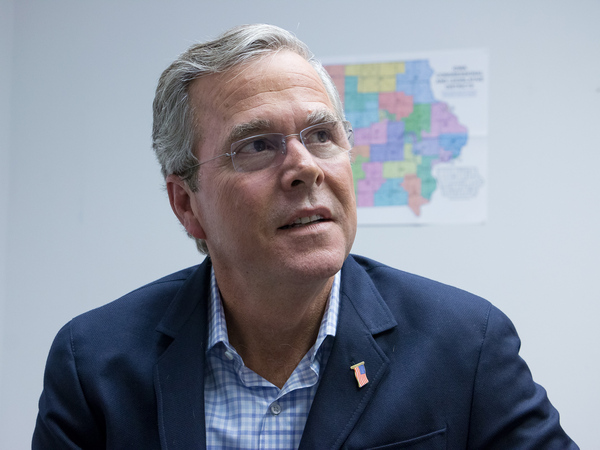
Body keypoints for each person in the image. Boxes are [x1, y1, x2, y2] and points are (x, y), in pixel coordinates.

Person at [33, 24, 577, 449]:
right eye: (257, 146)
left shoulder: (464, 344)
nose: (304, 168)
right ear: (186, 205)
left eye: (321, 135)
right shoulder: (95, 364)